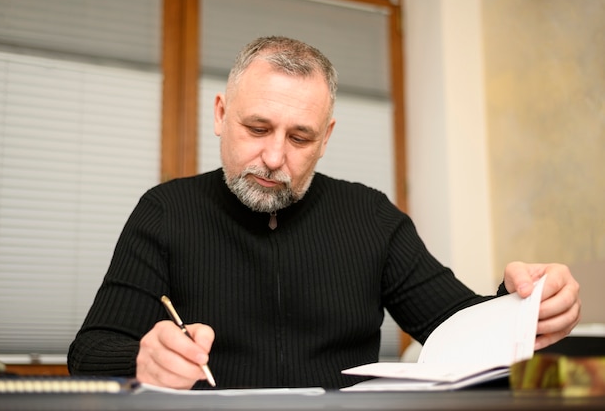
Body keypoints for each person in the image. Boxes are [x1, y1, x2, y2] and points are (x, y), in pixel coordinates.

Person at [67, 36, 581, 390]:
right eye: (257, 128)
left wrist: (524, 308)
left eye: (299, 137)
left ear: (326, 138)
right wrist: (143, 359)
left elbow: (456, 327)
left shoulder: (370, 216)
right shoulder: (165, 212)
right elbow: (89, 352)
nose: (273, 157)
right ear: (221, 116)